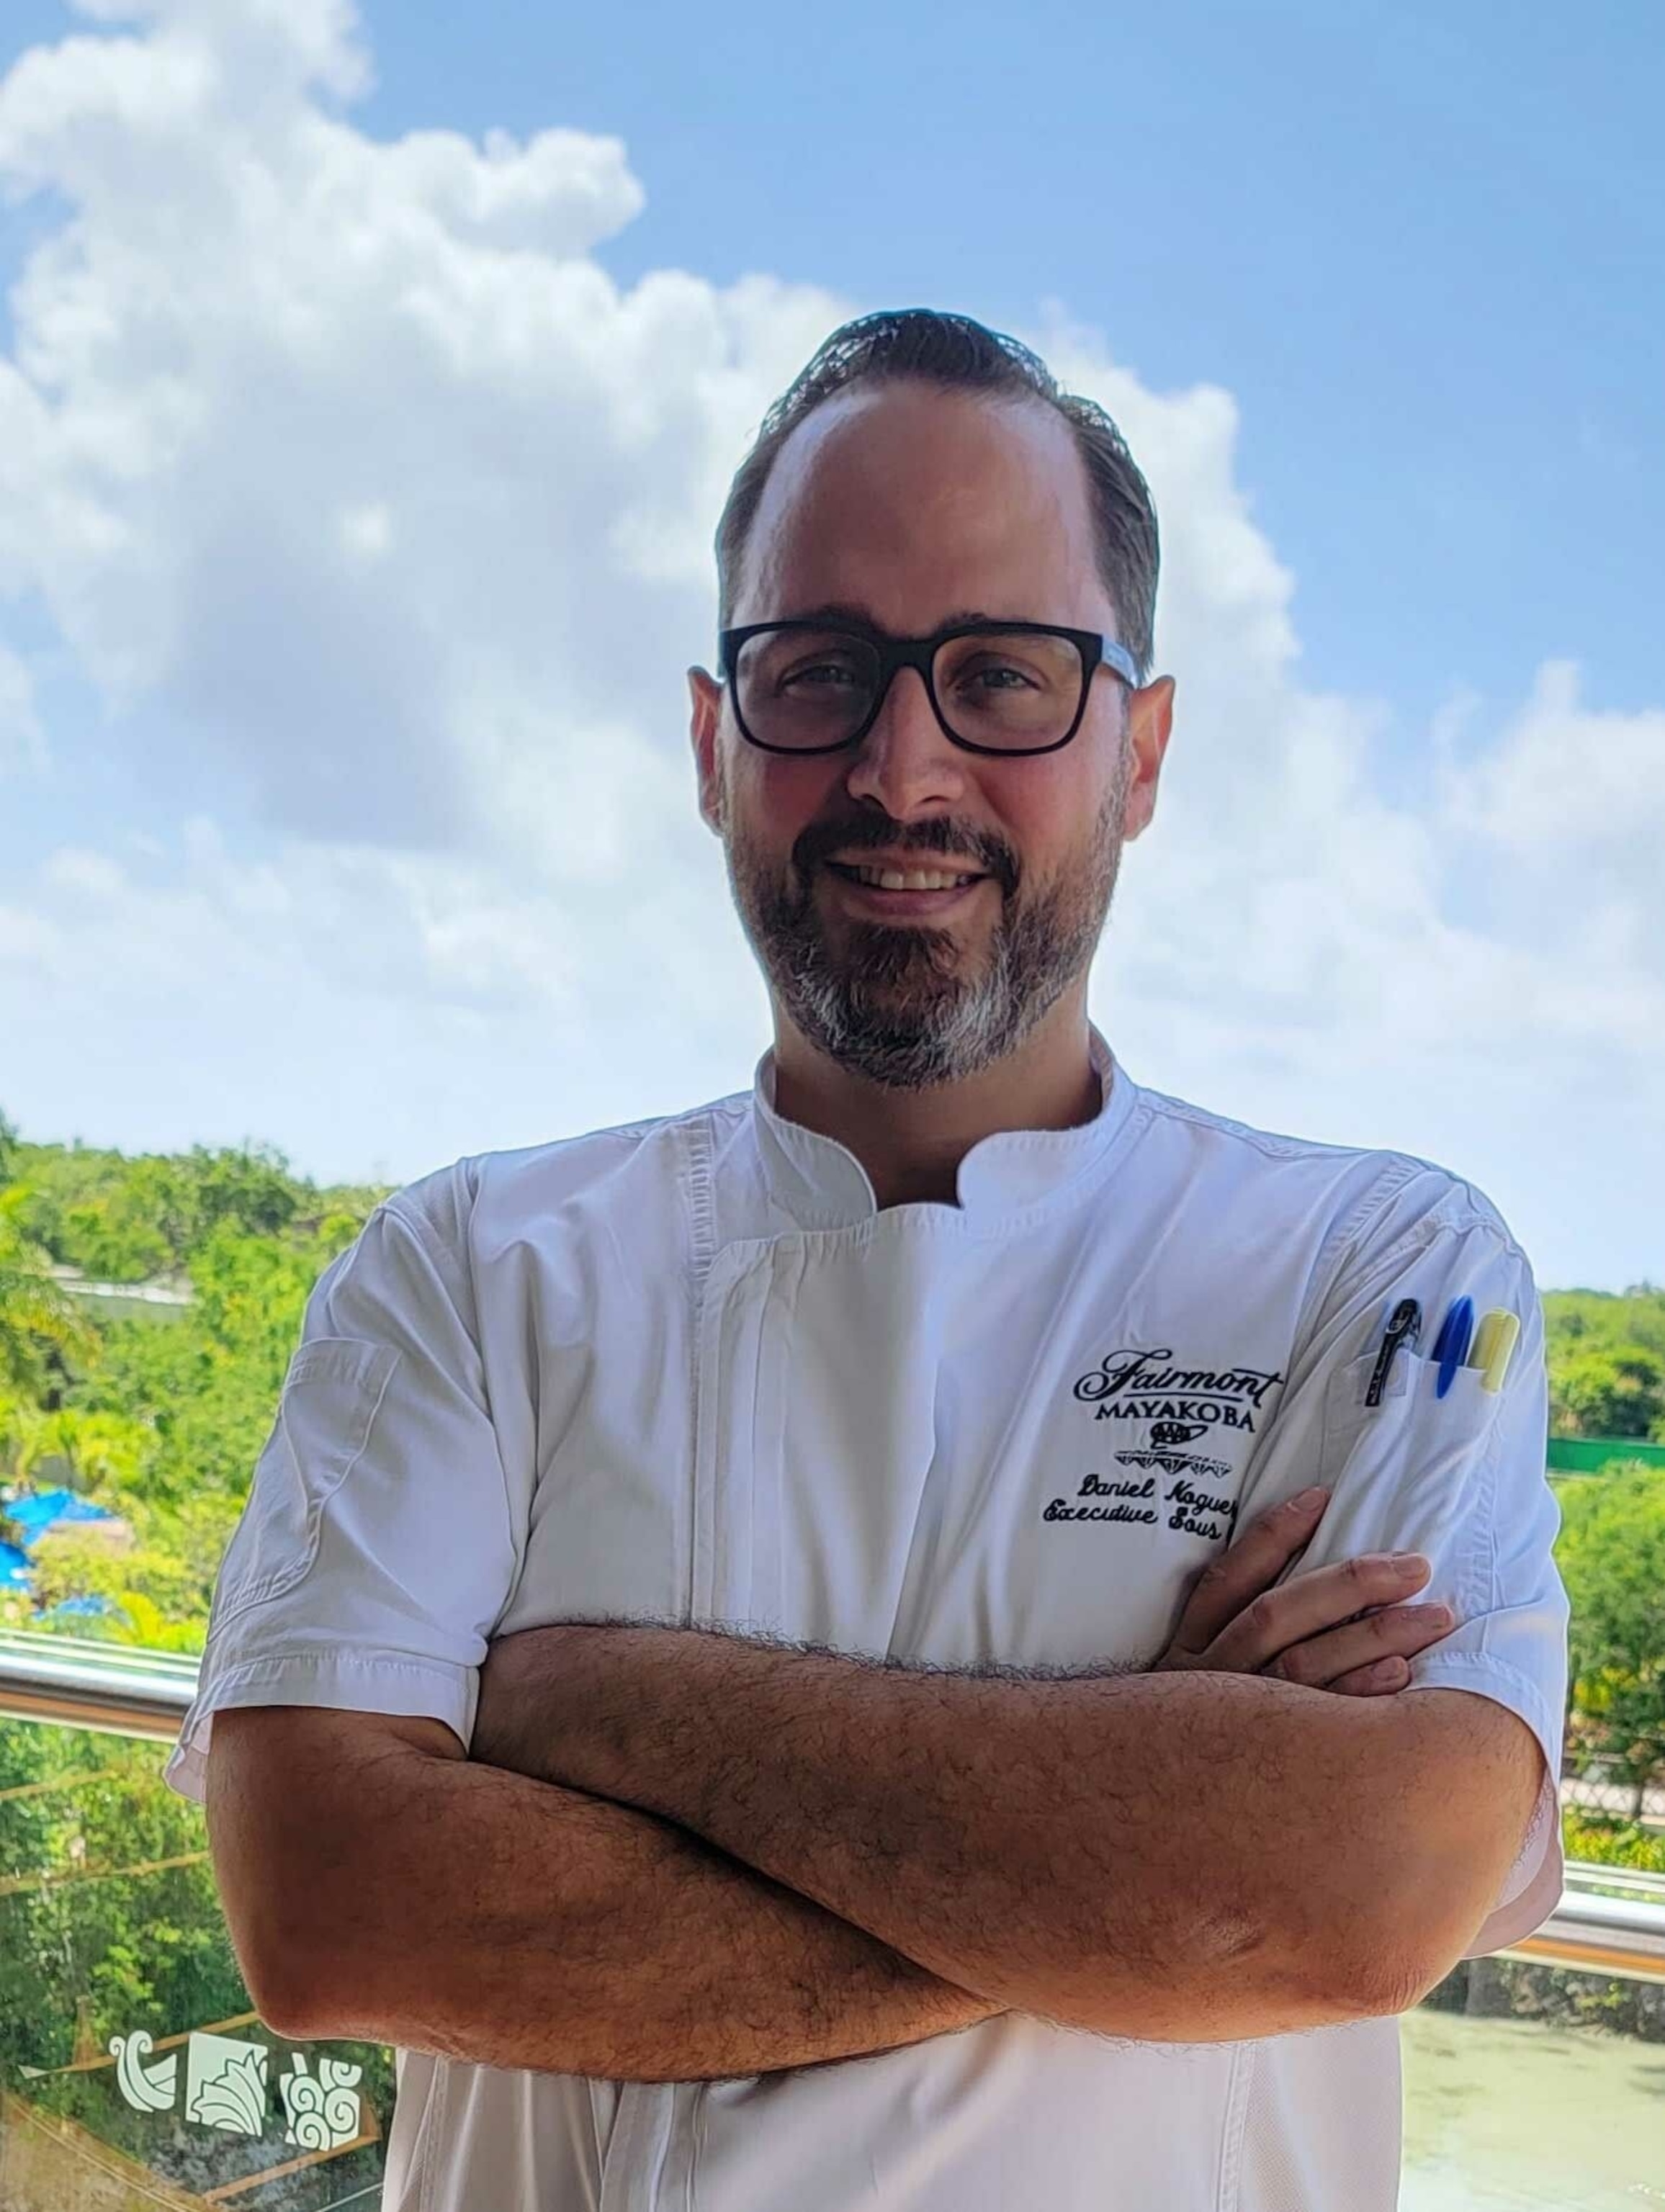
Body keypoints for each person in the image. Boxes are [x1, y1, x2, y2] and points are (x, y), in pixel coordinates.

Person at [165, 307, 1569, 2212]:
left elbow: (1366, 1886)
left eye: (1004, 676)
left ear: (1143, 751)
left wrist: (600, 1703)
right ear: (712, 739)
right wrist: (1149, 1869)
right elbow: (333, 1912)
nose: (904, 771)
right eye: (819, 671)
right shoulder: (470, 1272)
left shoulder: (1387, 1273)